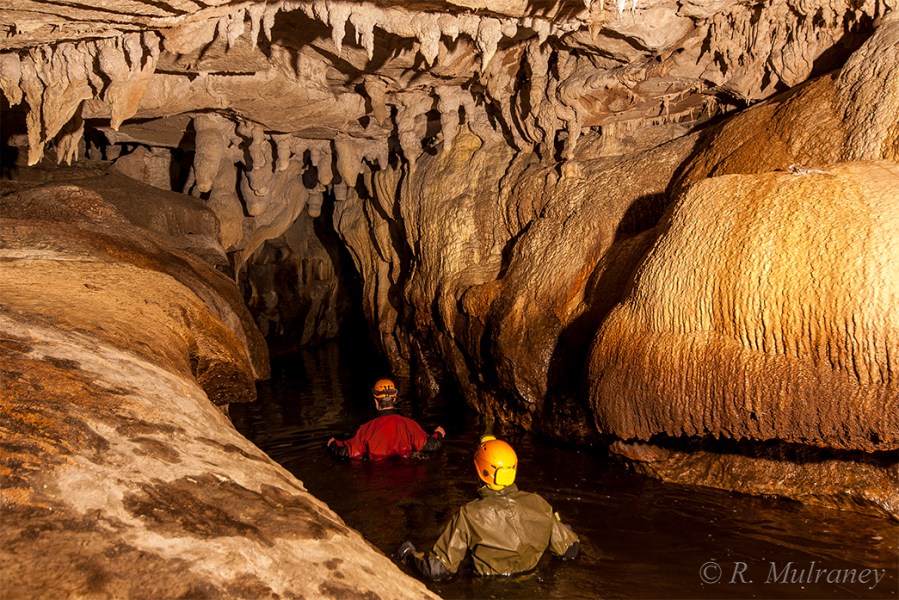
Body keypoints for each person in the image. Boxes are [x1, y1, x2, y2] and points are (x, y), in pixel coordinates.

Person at [394, 435, 580, 580]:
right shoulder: (539, 504)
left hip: (490, 587)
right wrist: (559, 527)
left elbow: (440, 570)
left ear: (480, 472)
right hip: (532, 580)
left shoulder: (470, 514)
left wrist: (409, 555)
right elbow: (570, 550)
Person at [327, 378, 445, 460]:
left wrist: (333, 444)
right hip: (405, 475)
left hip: (377, 477)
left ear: (375, 401)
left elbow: (347, 452)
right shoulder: (409, 424)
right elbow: (431, 446)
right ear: (394, 400)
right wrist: (438, 434)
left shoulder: (366, 429)